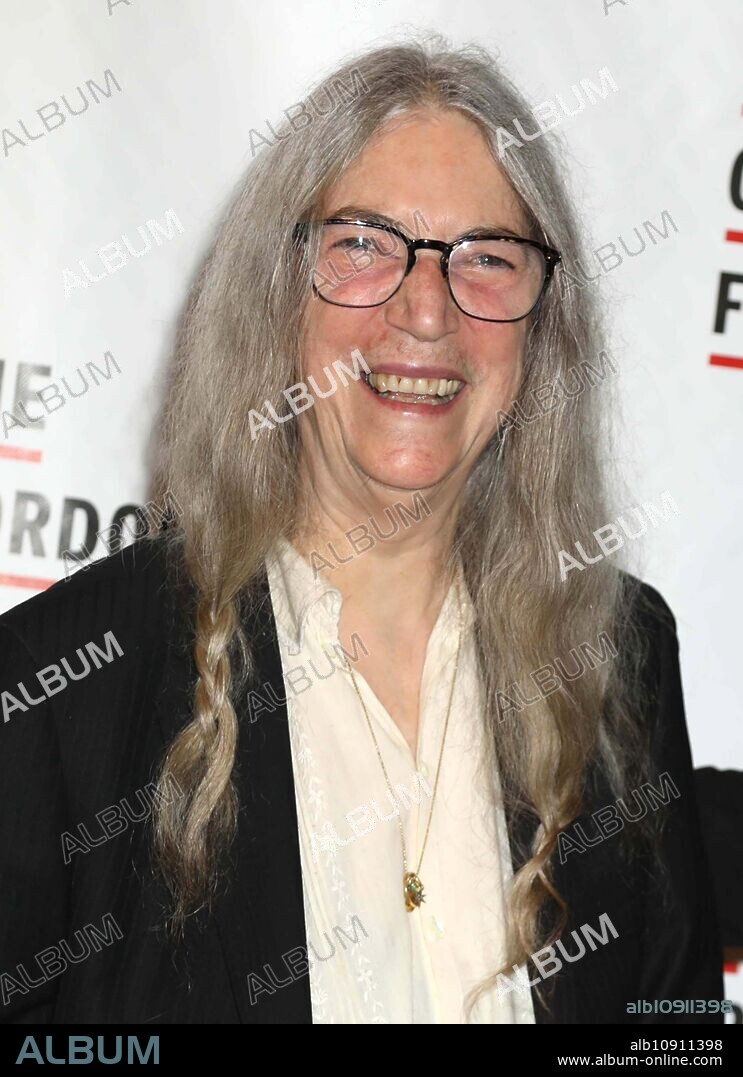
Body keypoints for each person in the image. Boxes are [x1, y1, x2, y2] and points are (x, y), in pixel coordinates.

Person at [0, 35, 723, 1025]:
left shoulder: (619, 655)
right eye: (363, 245)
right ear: (277, 292)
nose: (425, 312)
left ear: (541, 327)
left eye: (486, 258)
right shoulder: (67, 684)